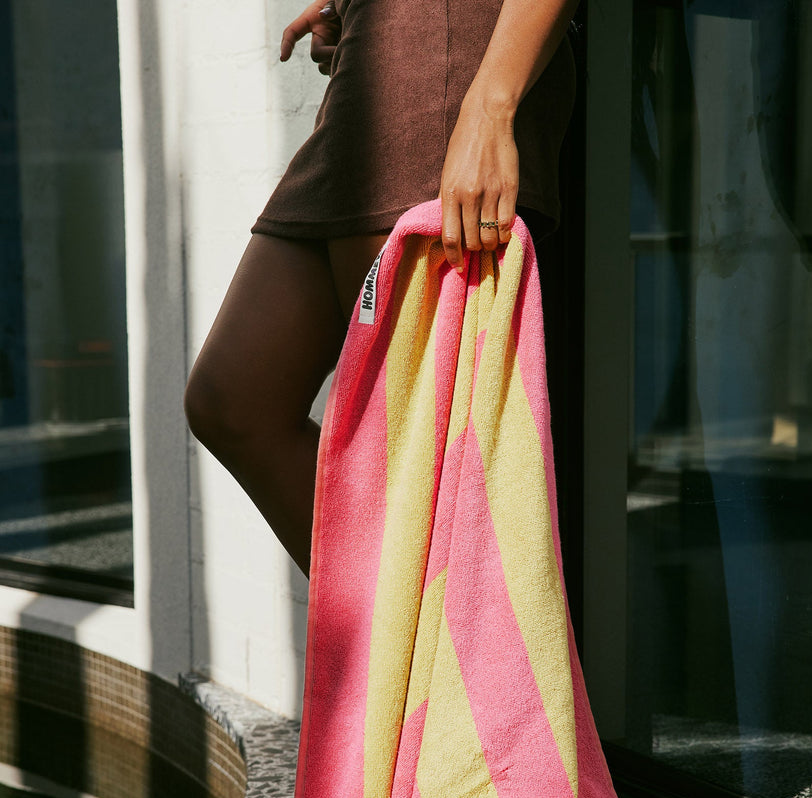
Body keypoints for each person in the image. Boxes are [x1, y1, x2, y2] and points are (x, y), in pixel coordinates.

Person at [184, 0, 578, 575]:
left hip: (445, 61)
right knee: (234, 403)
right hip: (374, 62)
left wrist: (491, 107)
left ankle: (421, 661)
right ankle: (396, 653)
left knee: (416, 465)